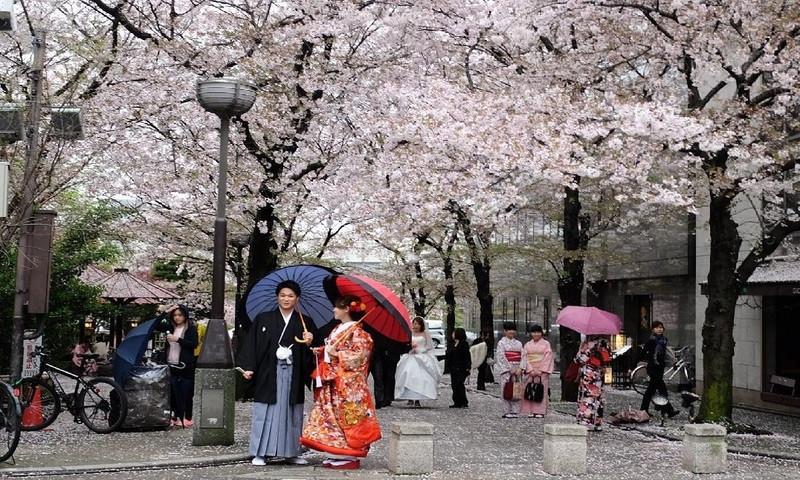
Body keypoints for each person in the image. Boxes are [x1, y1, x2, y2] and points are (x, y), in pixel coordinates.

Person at [237, 280, 317, 466]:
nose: (286, 299)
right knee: (265, 412)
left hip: (293, 373)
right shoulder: (263, 319)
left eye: (290, 296)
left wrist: (309, 344)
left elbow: (315, 353)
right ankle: (260, 452)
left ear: (297, 298)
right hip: (268, 372)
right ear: (277, 297)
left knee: (292, 413)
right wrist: (249, 367)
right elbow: (252, 345)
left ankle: (292, 452)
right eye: (282, 295)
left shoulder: (305, 323)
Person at [300, 295, 379, 470]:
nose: (334, 310)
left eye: (337, 307)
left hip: (347, 385)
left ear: (346, 310)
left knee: (346, 418)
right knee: (330, 416)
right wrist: (321, 351)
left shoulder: (359, 333)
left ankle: (348, 454)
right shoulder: (339, 328)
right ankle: (334, 452)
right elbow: (333, 349)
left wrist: (337, 354)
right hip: (332, 381)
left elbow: (360, 356)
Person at [154, 304, 199, 428]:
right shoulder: (170, 327)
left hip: (185, 365)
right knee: (172, 391)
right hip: (171, 362)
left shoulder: (190, 329)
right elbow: (156, 324)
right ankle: (174, 416)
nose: (177, 318)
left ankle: (188, 417)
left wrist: (177, 339)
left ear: (185, 316)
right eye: (175, 315)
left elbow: (193, 344)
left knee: (186, 391)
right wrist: (165, 312)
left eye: (180, 315)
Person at [395, 316, 441, 407]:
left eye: (417, 324)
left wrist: (420, 350)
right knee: (408, 374)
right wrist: (410, 347)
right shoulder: (409, 333)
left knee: (421, 378)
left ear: (421, 325)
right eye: (414, 323)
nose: (415, 326)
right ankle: (409, 398)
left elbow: (429, 346)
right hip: (411, 356)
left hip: (421, 356)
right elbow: (405, 344)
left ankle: (418, 399)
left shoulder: (425, 333)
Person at [637, 321, 680, 418]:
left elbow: (664, 354)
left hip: (660, 368)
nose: (659, 329)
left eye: (661, 327)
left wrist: (672, 359)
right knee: (662, 390)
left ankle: (644, 410)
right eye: (656, 327)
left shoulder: (664, 340)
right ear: (652, 330)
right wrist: (632, 367)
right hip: (652, 368)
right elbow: (642, 354)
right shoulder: (650, 341)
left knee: (650, 391)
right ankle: (668, 410)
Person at [575, 335, 612, 431]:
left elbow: (580, 359)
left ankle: (585, 421)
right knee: (599, 399)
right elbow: (609, 357)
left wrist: (581, 350)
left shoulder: (589, 344)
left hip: (589, 374)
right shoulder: (606, 343)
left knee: (587, 397)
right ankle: (597, 422)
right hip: (600, 374)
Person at [520, 324, 554, 418]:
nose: (536, 334)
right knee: (529, 389)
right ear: (531, 333)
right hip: (531, 370)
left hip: (541, 371)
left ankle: (540, 411)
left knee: (541, 390)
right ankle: (530, 410)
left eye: (538, 332)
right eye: (534, 332)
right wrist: (530, 369)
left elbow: (548, 357)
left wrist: (541, 370)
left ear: (541, 333)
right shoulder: (527, 345)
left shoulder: (546, 344)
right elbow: (525, 357)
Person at [495, 322, 523, 418]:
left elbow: (523, 356)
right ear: (505, 331)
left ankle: (515, 411)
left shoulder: (519, 343)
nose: (511, 332)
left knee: (516, 389)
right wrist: (509, 368)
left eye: (513, 330)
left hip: (517, 368)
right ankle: (506, 411)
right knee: (506, 389)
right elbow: (501, 356)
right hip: (507, 370)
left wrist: (520, 368)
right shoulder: (501, 343)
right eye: (509, 330)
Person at [370, 334, 404, 409]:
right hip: (380, 356)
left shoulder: (395, 332)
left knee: (389, 378)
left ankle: (387, 398)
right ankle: (382, 399)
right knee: (381, 378)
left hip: (391, 356)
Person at [184, 317, 207, 426]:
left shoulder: (200, 328)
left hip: (196, 353)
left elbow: (201, 339)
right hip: (191, 354)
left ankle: (187, 416)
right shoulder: (187, 328)